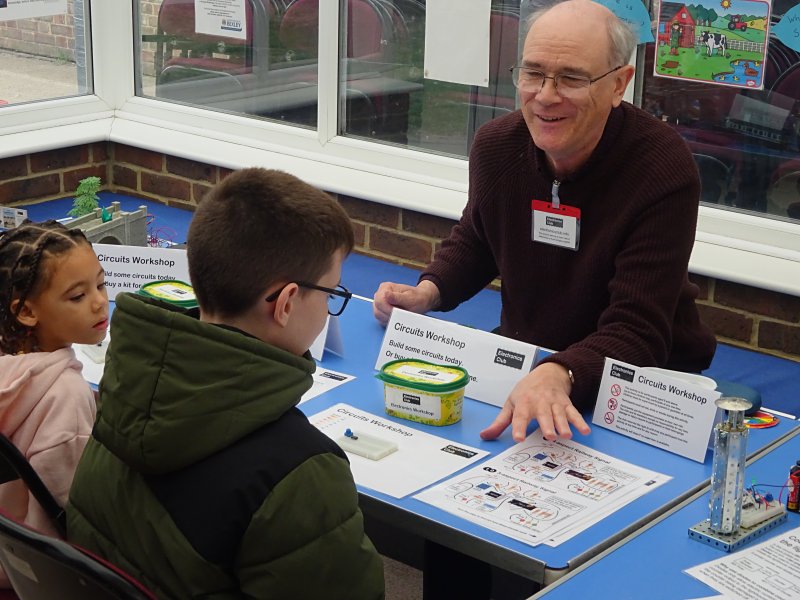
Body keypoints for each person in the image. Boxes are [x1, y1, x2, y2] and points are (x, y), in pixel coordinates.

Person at [374, 0, 716, 447]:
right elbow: (479, 238)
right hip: (531, 359)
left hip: (640, 385)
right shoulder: (497, 146)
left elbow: (639, 330)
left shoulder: (661, 166)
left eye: (571, 78)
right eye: (532, 73)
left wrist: (561, 371)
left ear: (619, 84)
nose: (545, 95)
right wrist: (428, 291)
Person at [67, 168, 385, 599]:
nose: (329, 307)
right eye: (331, 293)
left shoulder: (126, 388)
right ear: (287, 302)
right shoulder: (301, 473)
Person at [0, 220, 106, 586]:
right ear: (26, 312)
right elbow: (79, 520)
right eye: (77, 296)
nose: (99, 301)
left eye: (101, 283)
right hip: (36, 574)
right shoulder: (67, 397)